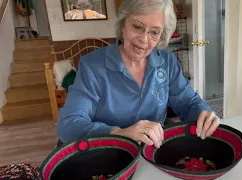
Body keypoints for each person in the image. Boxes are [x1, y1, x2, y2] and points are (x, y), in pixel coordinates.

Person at [56, 0, 220, 149]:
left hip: (153, 152)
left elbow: (187, 101)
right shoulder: (93, 66)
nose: (144, 39)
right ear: (123, 25)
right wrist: (120, 133)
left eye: (154, 32)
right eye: (137, 27)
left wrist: (203, 114)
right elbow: (68, 125)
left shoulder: (167, 60)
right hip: (109, 154)